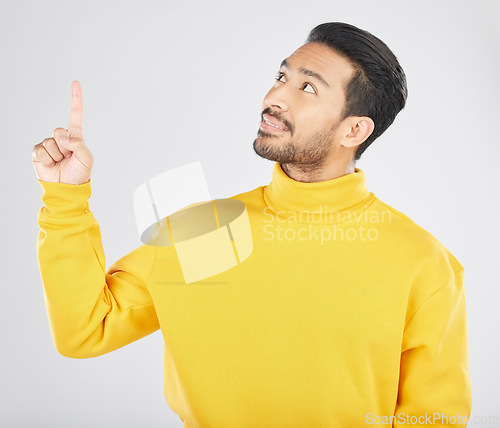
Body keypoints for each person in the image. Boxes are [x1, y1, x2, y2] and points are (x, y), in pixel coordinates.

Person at [33, 22, 471, 427]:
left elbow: (436, 420)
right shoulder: (205, 233)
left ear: (354, 129)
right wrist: (66, 198)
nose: (274, 96)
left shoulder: (419, 262)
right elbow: (87, 330)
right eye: (282, 77)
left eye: (307, 87)